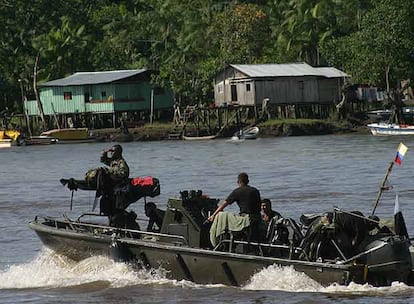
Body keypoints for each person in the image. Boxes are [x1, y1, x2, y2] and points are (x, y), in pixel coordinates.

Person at [208, 172, 262, 242]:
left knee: (221, 215)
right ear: (248, 181)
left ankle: (217, 240)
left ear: (238, 182)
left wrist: (213, 215)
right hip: (257, 218)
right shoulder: (255, 191)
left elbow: (223, 205)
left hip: (246, 220)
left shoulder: (237, 191)